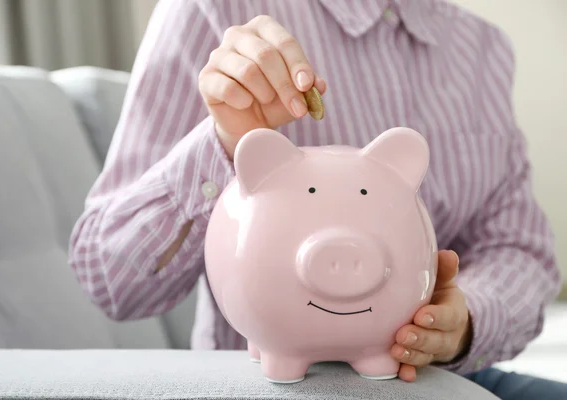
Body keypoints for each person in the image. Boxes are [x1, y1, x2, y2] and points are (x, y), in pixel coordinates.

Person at [68, 0, 566, 398]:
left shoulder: (484, 48)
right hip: (271, 386)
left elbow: (520, 249)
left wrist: (463, 320)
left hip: (444, 381)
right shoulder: (214, 10)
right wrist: (224, 141)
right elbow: (110, 281)